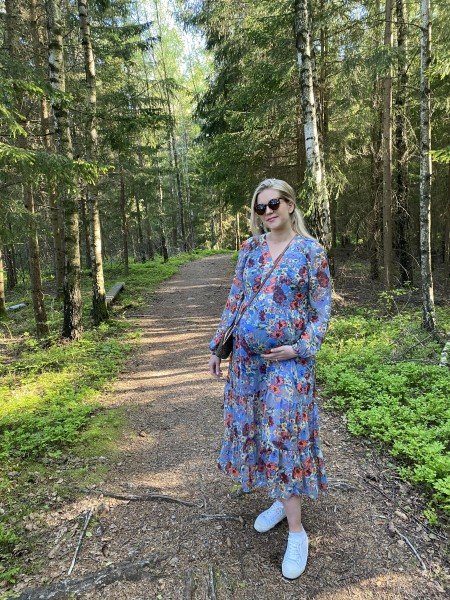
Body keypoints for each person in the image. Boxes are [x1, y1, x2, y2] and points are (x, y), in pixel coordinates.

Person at [208, 178, 332, 579]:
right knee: (259, 430)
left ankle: (297, 533)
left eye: (274, 203)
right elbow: (235, 299)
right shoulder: (249, 248)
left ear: (290, 204)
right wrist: (218, 345)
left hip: (289, 362)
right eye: (260, 208)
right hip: (248, 362)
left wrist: (300, 348)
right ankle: (281, 499)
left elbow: (321, 310)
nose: (267, 212)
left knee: (283, 434)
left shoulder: (311, 252)